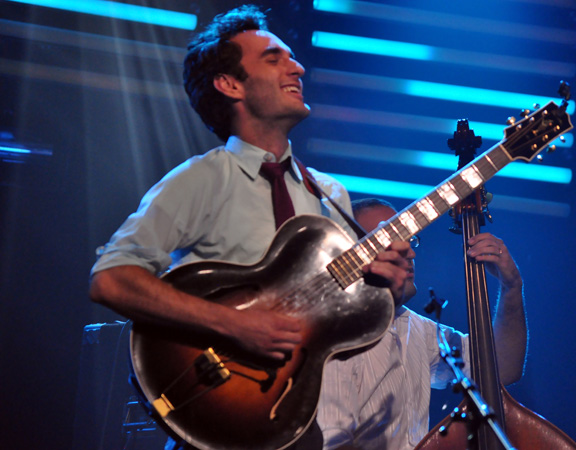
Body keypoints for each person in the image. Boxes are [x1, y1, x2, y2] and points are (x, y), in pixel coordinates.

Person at [89, 5, 414, 449]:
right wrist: (233, 324)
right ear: (230, 84)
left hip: (293, 419)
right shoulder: (202, 179)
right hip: (212, 404)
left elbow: (337, 324)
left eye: (292, 58)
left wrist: (386, 289)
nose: (297, 67)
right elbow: (110, 279)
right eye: (273, 58)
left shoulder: (330, 194)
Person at [317, 198, 528, 450]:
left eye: (408, 240)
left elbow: (501, 368)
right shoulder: (332, 339)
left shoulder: (420, 330)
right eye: (390, 244)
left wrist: (511, 287)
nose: (410, 253)